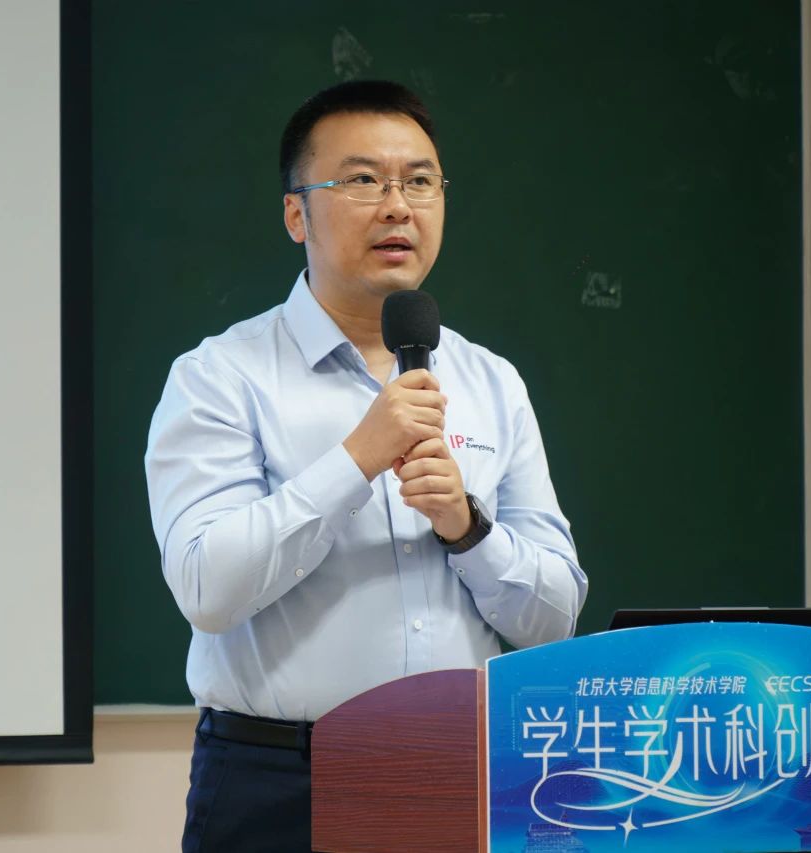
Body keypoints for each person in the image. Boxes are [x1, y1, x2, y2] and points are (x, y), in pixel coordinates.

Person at [144, 80, 587, 853]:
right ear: (296, 214)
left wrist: (468, 528)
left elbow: (554, 616)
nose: (397, 206)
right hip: (282, 783)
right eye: (362, 180)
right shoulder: (220, 376)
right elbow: (207, 587)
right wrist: (356, 460)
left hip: (460, 772)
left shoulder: (491, 381)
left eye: (420, 181)